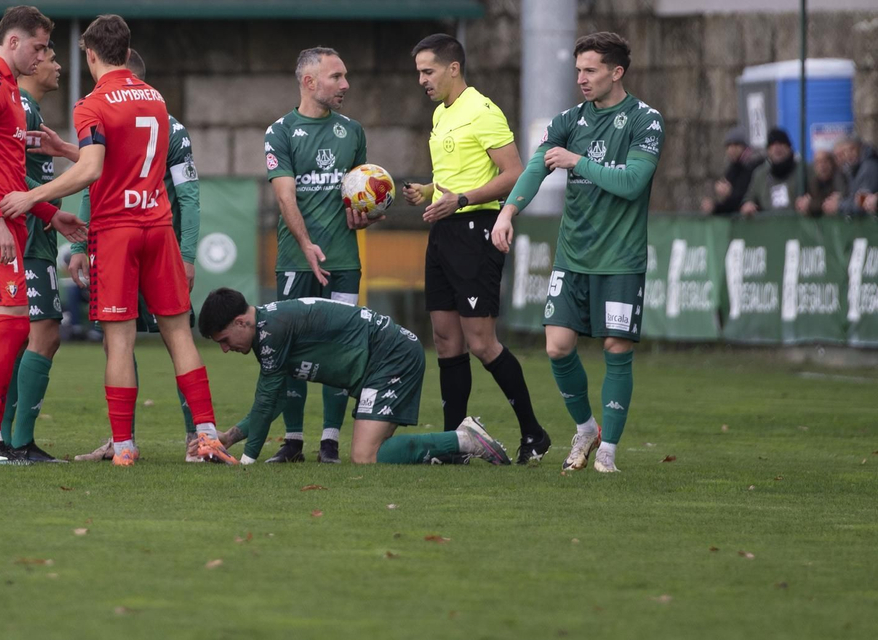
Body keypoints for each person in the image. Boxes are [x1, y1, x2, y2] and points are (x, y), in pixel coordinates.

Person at [1, 14, 237, 467]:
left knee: (120, 341)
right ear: (127, 53)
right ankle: (206, 435)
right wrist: (70, 154)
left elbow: (93, 170)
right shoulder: (156, 99)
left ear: (90, 54)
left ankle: (124, 445)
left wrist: (32, 195)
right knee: (179, 337)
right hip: (159, 228)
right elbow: (127, 160)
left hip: (117, 231)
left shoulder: (92, 104)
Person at [492, 31, 663, 475]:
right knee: (557, 346)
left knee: (616, 347)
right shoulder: (570, 120)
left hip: (621, 258)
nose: (581, 79)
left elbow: (631, 184)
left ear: (616, 72)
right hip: (573, 255)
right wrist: (507, 213)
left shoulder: (646, 121)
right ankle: (586, 428)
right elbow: (535, 166)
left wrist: (577, 163)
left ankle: (608, 452)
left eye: (590, 70)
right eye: (578, 70)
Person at [0, 6, 85, 463]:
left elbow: (7, 174)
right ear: (12, 42)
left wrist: (48, 212)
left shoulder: (5, 87)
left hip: (3, 216)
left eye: (47, 46)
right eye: (40, 46)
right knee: (14, 324)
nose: (45, 54)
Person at [406, 33, 548, 461]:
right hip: (443, 230)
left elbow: (515, 173)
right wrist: (431, 189)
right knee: (445, 339)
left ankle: (533, 433)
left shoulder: (483, 111)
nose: (422, 80)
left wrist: (462, 200)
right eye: (418, 73)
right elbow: (462, 167)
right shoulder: (440, 114)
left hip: (475, 229)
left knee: (482, 342)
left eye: (427, 71)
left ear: (453, 68)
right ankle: (454, 442)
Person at [71, 49, 207, 464]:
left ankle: (163, 440)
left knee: (129, 337)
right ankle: (193, 437)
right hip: (155, 234)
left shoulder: (110, 109)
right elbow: (93, 178)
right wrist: (78, 245)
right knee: (145, 339)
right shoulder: (162, 112)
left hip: (131, 236)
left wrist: (187, 255)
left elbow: (189, 195)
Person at [198, 290, 511, 466]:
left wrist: (246, 461)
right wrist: (228, 438)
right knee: (376, 451)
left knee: (365, 456)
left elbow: (266, 403)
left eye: (224, 340)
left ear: (241, 322)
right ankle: (445, 450)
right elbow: (277, 399)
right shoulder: (268, 328)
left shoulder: (271, 332)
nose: (225, 349)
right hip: (385, 357)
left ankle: (465, 439)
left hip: (391, 357)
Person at [260, 47, 371, 463]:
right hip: (295, 258)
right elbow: (285, 195)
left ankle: (330, 442)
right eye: (336, 77)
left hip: (343, 261)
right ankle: (292, 441)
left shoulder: (353, 132)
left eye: (345, 76)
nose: (346, 85)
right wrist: (306, 244)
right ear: (309, 82)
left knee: (341, 347)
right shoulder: (281, 132)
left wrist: (365, 215)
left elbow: (360, 193)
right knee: (290, 345)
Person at [0, 42, 77, 463]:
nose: (58, 64)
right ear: (31, 65)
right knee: (44, 334)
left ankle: (9, 439)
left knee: (24, 336)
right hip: (26, 238)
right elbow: (7, 175)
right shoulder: (21, 107)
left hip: (35, 235)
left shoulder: (31, 110)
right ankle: (18, 441)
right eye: (50, 56)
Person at [740, 128, 803, 216]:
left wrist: (810, 203)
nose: (777, 148)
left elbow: (817, 194)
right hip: (769, 226)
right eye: (772, 145)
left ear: (789, 148)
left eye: (781, 143)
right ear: (768, 151)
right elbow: (749, 197)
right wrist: (747, 205)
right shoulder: (760, 174)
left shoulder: (802, 170)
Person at [700, 126, 757, 215]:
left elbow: (748, 198)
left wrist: (730, 193)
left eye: (736, 145)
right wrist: (713, 207)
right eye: (729, 146)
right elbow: (730, 205)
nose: (731, 149)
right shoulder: (732, 168)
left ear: (744, 147)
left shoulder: (753, 166)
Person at [831, 134, 878, 216]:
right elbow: (855, 198)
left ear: (860, 148)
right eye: (846, 151)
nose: (849, 154)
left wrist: (839, 205)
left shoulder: (869, 166)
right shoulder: (852, 169)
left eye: (852, 149)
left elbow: (863, 201)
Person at [798, 151, 845, 217]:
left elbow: (839, 199)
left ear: (832, 163)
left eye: (825, 161)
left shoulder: (840, 178)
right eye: (818, 163)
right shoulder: (813, 182)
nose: (822, 166)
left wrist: (810, 204)